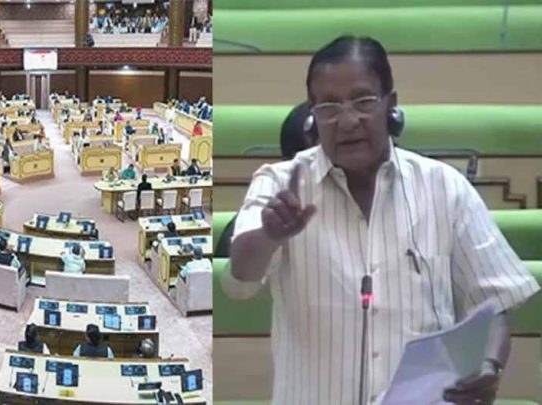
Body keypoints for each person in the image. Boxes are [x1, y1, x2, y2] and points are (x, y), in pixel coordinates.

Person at [224, 35, 540, 405]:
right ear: (313, 115)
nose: (347, 121)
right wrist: (269, 235)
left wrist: (489, 365)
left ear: (391, 105)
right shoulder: (280, 184)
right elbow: (239, 281)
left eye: (363, 101)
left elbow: (494, 302)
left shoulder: (444, 187)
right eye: (329, 106)